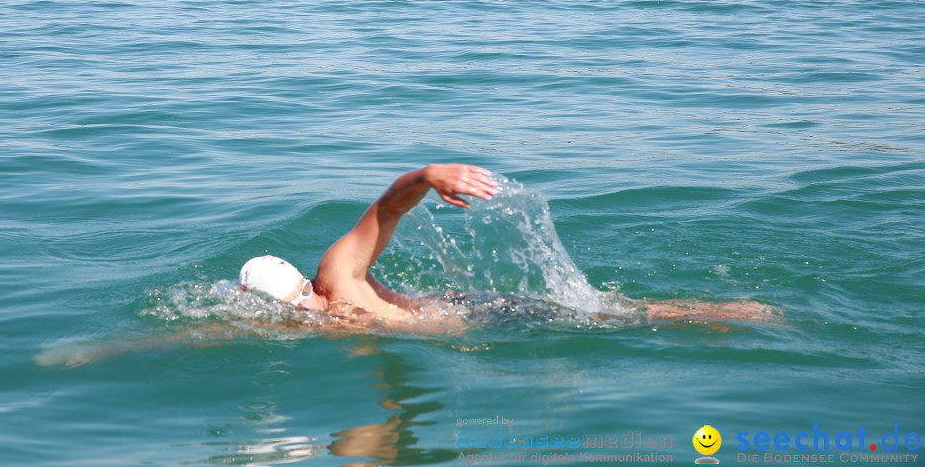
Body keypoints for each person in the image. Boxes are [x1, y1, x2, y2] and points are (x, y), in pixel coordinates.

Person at [239, 164, 779, 326]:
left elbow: (385, 211)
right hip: (470, 319)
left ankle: (730, 313)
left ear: (297, 290)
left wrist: (428, 176)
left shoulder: (337, 277)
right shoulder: (312, 317)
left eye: (296, 305)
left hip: (485, 315)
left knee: (612, 317)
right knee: (609, 315)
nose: (301, 313)